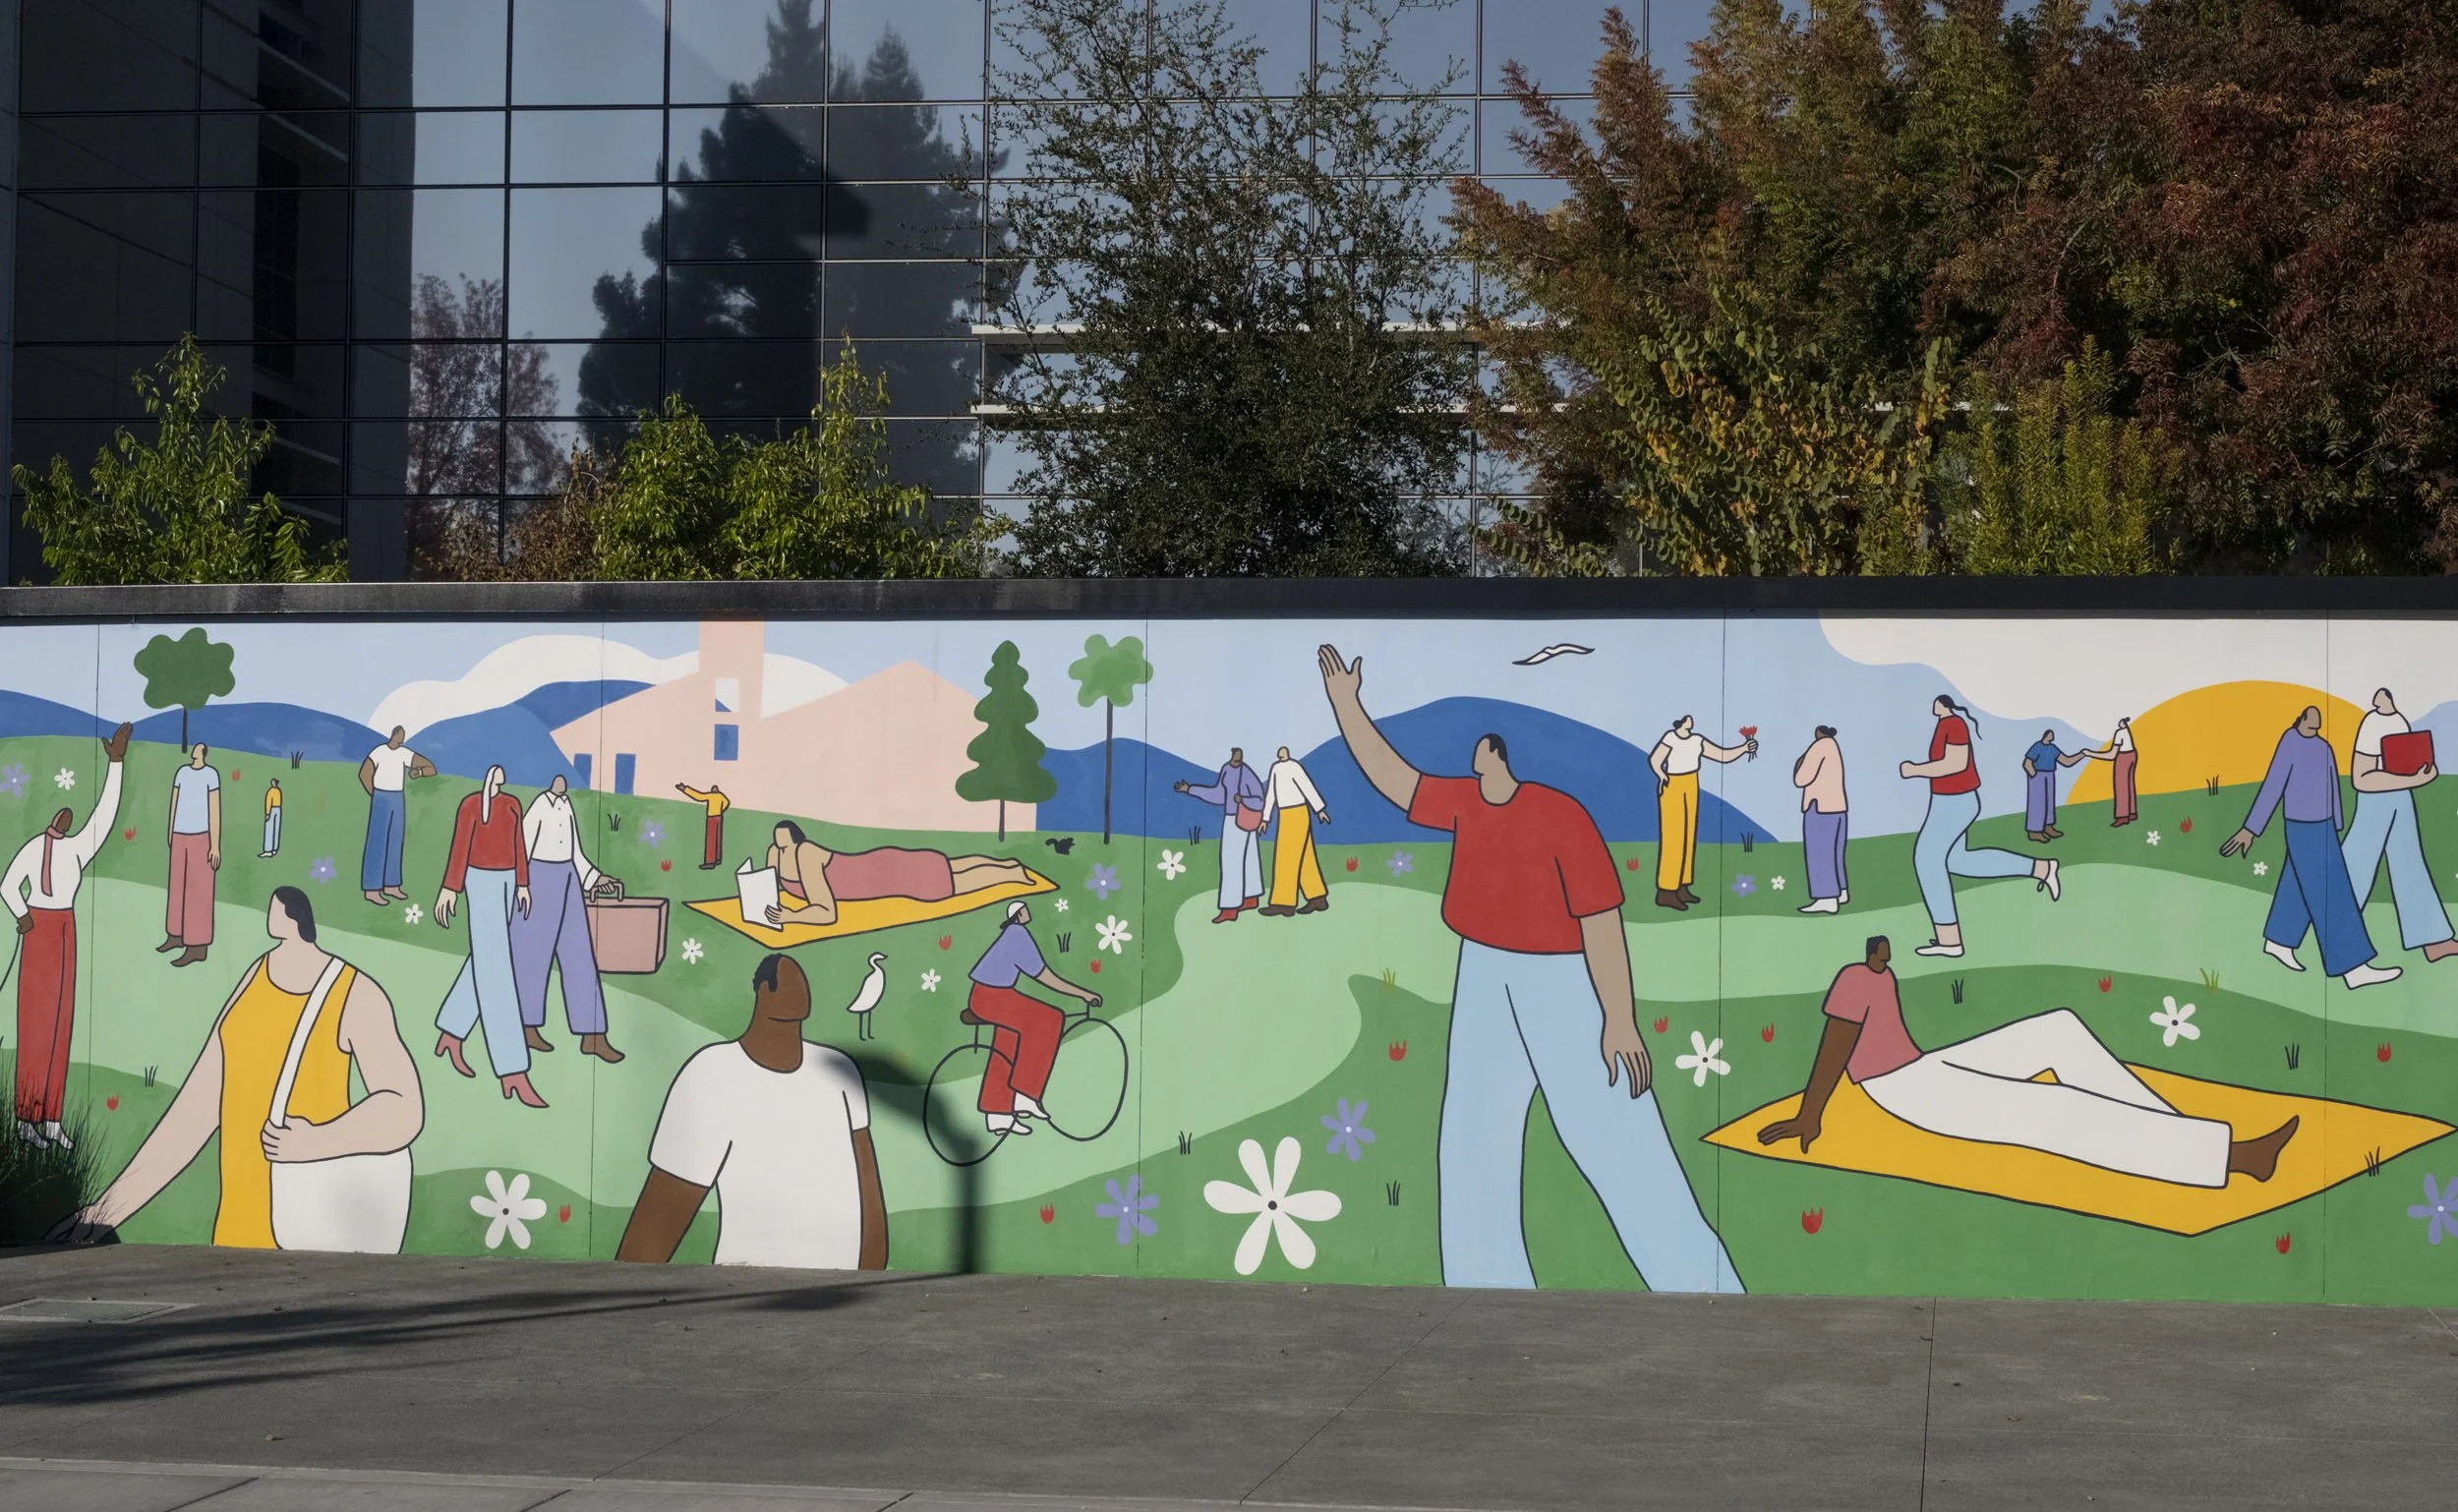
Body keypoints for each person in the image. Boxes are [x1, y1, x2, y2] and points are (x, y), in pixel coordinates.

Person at [1318, 644, 1739, 1293]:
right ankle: (1482, 1284)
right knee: (1471, 1143)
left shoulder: (1560, 817)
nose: (1472, 758)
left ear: (1497, 757)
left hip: (1560, 981)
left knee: (1620, 1141)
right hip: (1483, 972)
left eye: (1480, 751)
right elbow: (1394, 778)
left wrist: (1618, 1019)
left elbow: (1601, 919)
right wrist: (1348, 704)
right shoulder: (1465, 805)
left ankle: (1702, 1284)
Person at [1758, 937, 2299, 1188]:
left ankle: (2177, 1134)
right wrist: (1811, 1114)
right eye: (1879, 948)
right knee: (2049, 1111)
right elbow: (1836, 1046)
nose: (1885, 951)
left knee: (2057, 1029)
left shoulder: (1878, 976)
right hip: (1901, 1090)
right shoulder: (1857, 979)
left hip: (1922, 1068)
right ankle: (2236, 1159)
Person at [51, 887, 423, 1247]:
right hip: (235, 1243)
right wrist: (104, 1212)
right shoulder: (256, 977)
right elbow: (195, 1112)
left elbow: (405, 1109)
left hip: (314, 1250)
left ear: (293, 919)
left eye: (276, 908)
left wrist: (316, 1141)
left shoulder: (354, 993)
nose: (269, 913)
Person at [617, 955, 887, 1269]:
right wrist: (620, 1294)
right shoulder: (712, 1073)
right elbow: (663, 1212)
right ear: (763, 992)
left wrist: (873, 1279)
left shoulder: (840, 1072)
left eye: (802, 982)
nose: (802, 990)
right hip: (743, 1293)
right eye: (788, 980)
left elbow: (868, 1186)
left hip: (843, 1295)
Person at [4, 724, 130, 1148]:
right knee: (35, 1023)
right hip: (40, 927)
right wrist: (22, 916)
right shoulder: (34, 848)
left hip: (65, 929)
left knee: (61, 1023)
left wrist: (115, 765)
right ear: (50, 820)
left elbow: (105, 819)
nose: (65, 818)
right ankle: (26, 1117)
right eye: (60, 815)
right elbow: (7, 885)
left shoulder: (76, 850)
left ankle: (52, 1117)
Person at [2221, 706, 2401, 988]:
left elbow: (2332, 783)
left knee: (2297, 882)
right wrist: (2251, 828)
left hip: (2325, 825)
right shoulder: (2290, 743)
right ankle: (2352, 967)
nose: (2314, 728)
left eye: (2318, 726)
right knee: (2331, 890)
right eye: (2310, 723)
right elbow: (2273, 785)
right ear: (2301, 720)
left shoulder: (2323, 747)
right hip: (2301, 826)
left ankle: (2279, 941)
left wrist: (2337, 822)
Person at [1901, 694, 2058, 959]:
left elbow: (1956, 763)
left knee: (1927, 860)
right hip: (1947, 801)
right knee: (1958, 861)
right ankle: (2042, 868)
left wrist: (1915, 770)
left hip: (1955, 802)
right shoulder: (1946, 725)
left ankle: (1949, 940)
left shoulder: (1954, 724)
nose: (1933, 705)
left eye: (1937, 703)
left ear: (1944, 706)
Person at [433, 766, 545, 1106]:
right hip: (479, 882)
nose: (499, 775)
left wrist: (523, 884)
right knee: (495, 969)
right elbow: (459, 847)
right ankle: (512, 1069)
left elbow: (519, 844)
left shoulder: (511, 804)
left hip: (509, 882)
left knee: (486, 959)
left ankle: (451, 1032)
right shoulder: (469, 805)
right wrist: (449, 889)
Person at [965, 900, 1104, 1137]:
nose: (1029, 911)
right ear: (1018, 915)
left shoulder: (1014, 933)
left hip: (987, 994)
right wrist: (1082, 993)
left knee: (1009, 1038)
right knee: (1050, 1018)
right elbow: (1044, 975)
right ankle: (1025, 1094)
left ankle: (998, 1114)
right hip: (990, 997)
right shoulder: (1017, 934)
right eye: (1025, 909)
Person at [2342, 688, 2458, 963]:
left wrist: (2415, 778)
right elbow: (2362, 779)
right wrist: (2414, 781)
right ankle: (2334, 932)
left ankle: (2433, 939)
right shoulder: (2373, 723)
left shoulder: (2398, 720)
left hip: (2399, 797)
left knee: (2410, 865)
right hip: (2376, 801)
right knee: (2356, 867)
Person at [515, 774, 624, 1063]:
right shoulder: (539, 806)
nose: (562, 782)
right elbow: (522, 848)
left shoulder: (566, 806)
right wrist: (521, 886)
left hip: (569, 878)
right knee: (533, 958)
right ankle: (526, 1027)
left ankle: (593, 1035)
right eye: (557, 777)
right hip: (539, 879)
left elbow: (575, 852)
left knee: (580, 956)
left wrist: (595, 877)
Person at [760, 821, 1034, 929]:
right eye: (779, 845)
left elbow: (826, 912)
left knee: (947, 882)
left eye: (786, 844)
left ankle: (1011, 874)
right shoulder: (776, 852)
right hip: (883, 864)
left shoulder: (805, 854)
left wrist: (791, 916)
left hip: (893, 876)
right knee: (948, 866)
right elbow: (768, 883)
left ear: (797, 841)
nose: (781, 849)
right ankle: (1008, 865)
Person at [1648, 716, 1755, 910]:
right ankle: (1666, 890)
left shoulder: (1697, 740)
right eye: (1687, 718)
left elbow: (1722, 755)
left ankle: (1682, 885)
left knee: (1688, 836)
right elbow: (1655, 760)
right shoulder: (1670, 738)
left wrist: (1743, 748)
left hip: (1691, 782)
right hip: (1673, 784)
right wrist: (1663, 776)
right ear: (1680, 722)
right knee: (1674, 836)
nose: (1691, 719)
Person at [1174, 749, 1267, 924]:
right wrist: (1190, 789)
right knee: (1249, 859)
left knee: (1233, 860)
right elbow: (1219, 794)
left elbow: (1259, 800)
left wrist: (1243, 800)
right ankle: (1250, 897)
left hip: (1239, 818)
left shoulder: (1245, 773)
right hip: (1241, 818)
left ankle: (1230, 908)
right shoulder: (1228, 770)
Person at [160, 742, 222, 967]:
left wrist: (214, 845)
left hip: (201, 836)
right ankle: (175, 934)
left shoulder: (211, 775)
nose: (195, 749)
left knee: (199, 889)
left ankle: (197, 946)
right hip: (179, 835)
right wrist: (170, 831)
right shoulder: (182, 772)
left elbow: (214, 810)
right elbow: (174, 801)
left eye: (199, 748)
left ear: (203, 753)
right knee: (177, 886)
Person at [359, 726, 436, 905]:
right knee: (377, 842)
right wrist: (375, 795)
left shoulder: (404, 754)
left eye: (402, 739)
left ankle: (391, 885)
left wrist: (419, 772)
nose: (400, 741)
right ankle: (372, 889)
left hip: (397, 798)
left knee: (395, 840)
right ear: (393, 735)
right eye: (399, 737)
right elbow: (364, 774)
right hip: (381, 797)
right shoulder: (378, 752)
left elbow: (431, 768)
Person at [1261, 745, 1331, 917]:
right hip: (1285, 813)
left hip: (1298, 812)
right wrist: (1265, 818)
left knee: (1286, 856)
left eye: (1283, 752)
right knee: (1305, 857)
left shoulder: (1294, 766)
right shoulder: (1276, 768)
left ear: (1288, 754)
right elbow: (1271, 794)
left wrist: (1319, 809)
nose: (1281, 754)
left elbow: (1307, 787)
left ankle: (1284, 903)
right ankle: (1317, 898)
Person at [1792, 726, 1848, 915]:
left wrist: (1799, 763)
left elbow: (1801, 779)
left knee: (1819, 852)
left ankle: (1826, 898)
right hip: (1838, 806)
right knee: (1835, 852)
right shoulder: (1834, 746)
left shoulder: (1818, 748)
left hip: (1820, 806)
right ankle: (1841, 891)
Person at [2021, 729, 2086, 843]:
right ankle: (2034, 831)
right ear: (2045, 735)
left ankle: (2048, 826)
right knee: (2037, 803)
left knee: (2049, 801)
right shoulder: (2037, 746)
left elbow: (2067, 761)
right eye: (2050, 734)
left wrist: (2082, 754)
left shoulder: (2053, 748)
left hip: (2050, 774)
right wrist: (2033, 774)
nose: (2052, 736)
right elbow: (2027, 762)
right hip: (2038, 775)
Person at [2080, 718, 2139, 826]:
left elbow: (2111, 755)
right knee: (2129, 784)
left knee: (2121, 786)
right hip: (2132, 755)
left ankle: (2122, 816)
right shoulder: (2126, 730)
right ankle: (2131, 812)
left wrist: (2090, 753)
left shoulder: (2119, 733)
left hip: (2123, 758)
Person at [676, 783, 729, 871]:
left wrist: (685, 789)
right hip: (719, 817)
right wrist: (721, 809)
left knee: (711, 839)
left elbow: (699, 796)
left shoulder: (711, 796)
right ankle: (717, 858)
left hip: (712, 818)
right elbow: (726, 803)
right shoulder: (720, 796)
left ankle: (710, 862)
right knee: (717, 838)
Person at [260, 779, 283, 859]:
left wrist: (268, 814)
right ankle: (272, 850)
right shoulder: (276, 791)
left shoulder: (274, 791)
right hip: (277, 809)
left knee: (271, 829)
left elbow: (269, 802)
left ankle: (270, 850)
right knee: (274, 829)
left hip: (274, 809)